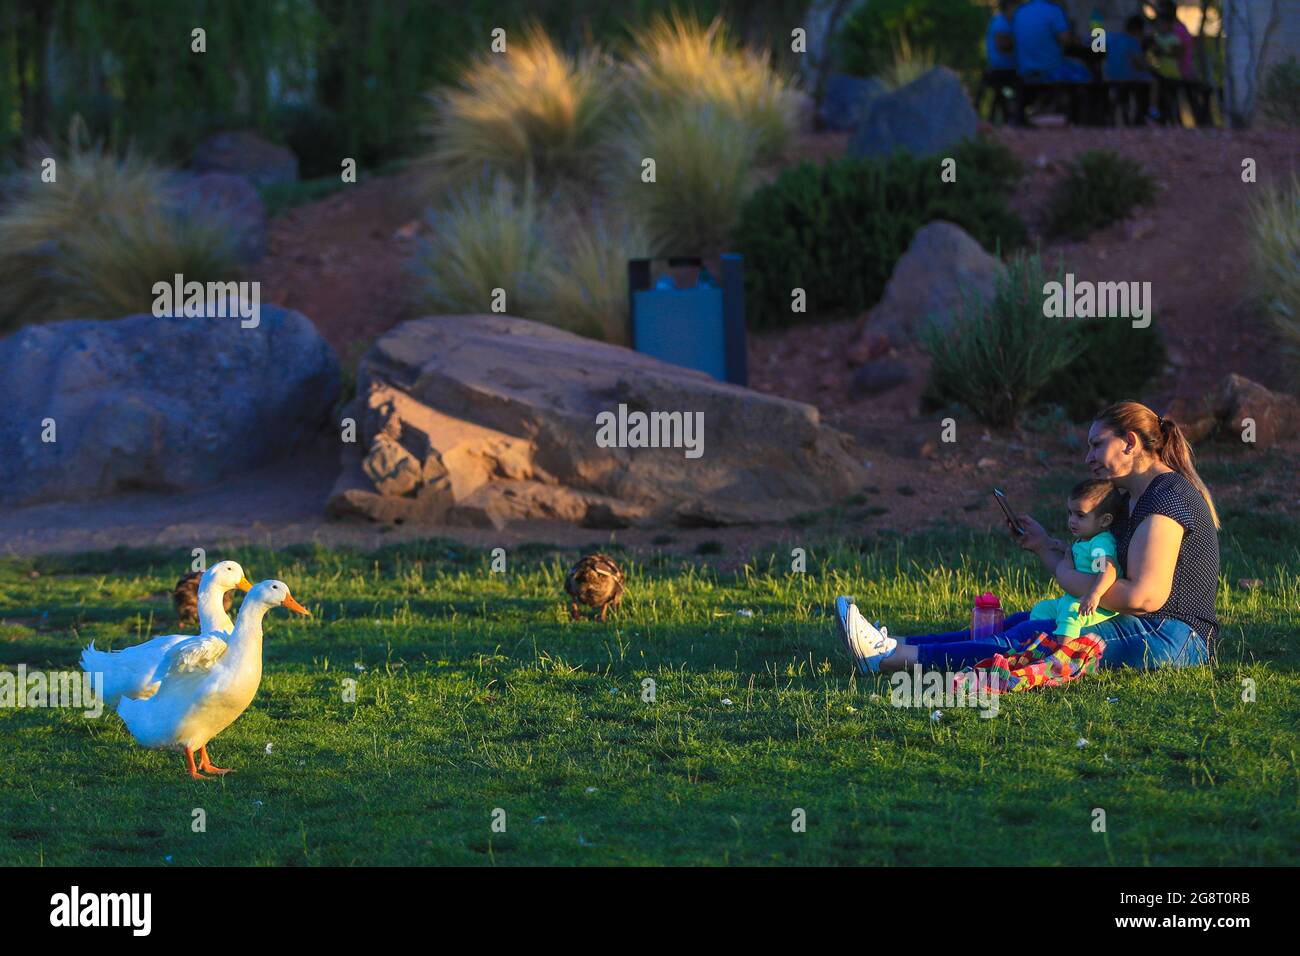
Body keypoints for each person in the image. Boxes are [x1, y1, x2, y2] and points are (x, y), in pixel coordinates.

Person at [833, 400, 1219, 674]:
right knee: (1014, 624)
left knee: (1036, 636)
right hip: (1148, 625)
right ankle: (895, 646)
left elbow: (1144, 597)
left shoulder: (1168, 497)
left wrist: (1068, 579)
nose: (1088, 457)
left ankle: (889, 659)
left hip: (1174, 636)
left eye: (1096, 444)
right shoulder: (1127, 498)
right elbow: (1101, 570)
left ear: (1130, 442)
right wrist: (1043, 545)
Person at [1026, 479, 1123, 638]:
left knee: (1071, 613)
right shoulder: (1086, 540)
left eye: (1080, 515)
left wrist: (1095, 594)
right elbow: (1079, 555)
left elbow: (1108, 570)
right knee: (1041, 609)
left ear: (1104, 520)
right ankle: (1039, 644)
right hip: (1071, 598)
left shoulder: (1100, 544)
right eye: (1070, 513)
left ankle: (1063, 654)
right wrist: (1063, 547)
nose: (1072, 520)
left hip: (1094, 606)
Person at [1011, 0, 1092, 83]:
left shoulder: (1019, 11)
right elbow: (1066, 40)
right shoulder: (1053, 10)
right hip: (1051, 73)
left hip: (1025, 76)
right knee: (1085, 73)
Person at [1104, 15, 1154, 124]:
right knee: (1150, 81)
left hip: (1110, 76)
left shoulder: (1111, 37)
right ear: (1137, 30)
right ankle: (1148, 114)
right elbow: (1138, 63)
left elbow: (1094, 43)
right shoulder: (1132, 41)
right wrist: (1150, 68)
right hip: (1128, 78)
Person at [983, 0, 1022, 122]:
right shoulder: (1001, 22)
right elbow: (1002, 46)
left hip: (1005, 68)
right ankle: (1013, 117)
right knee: (1014, 89)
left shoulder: (1005, 21)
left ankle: (1011, 116)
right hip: (1002, 69)